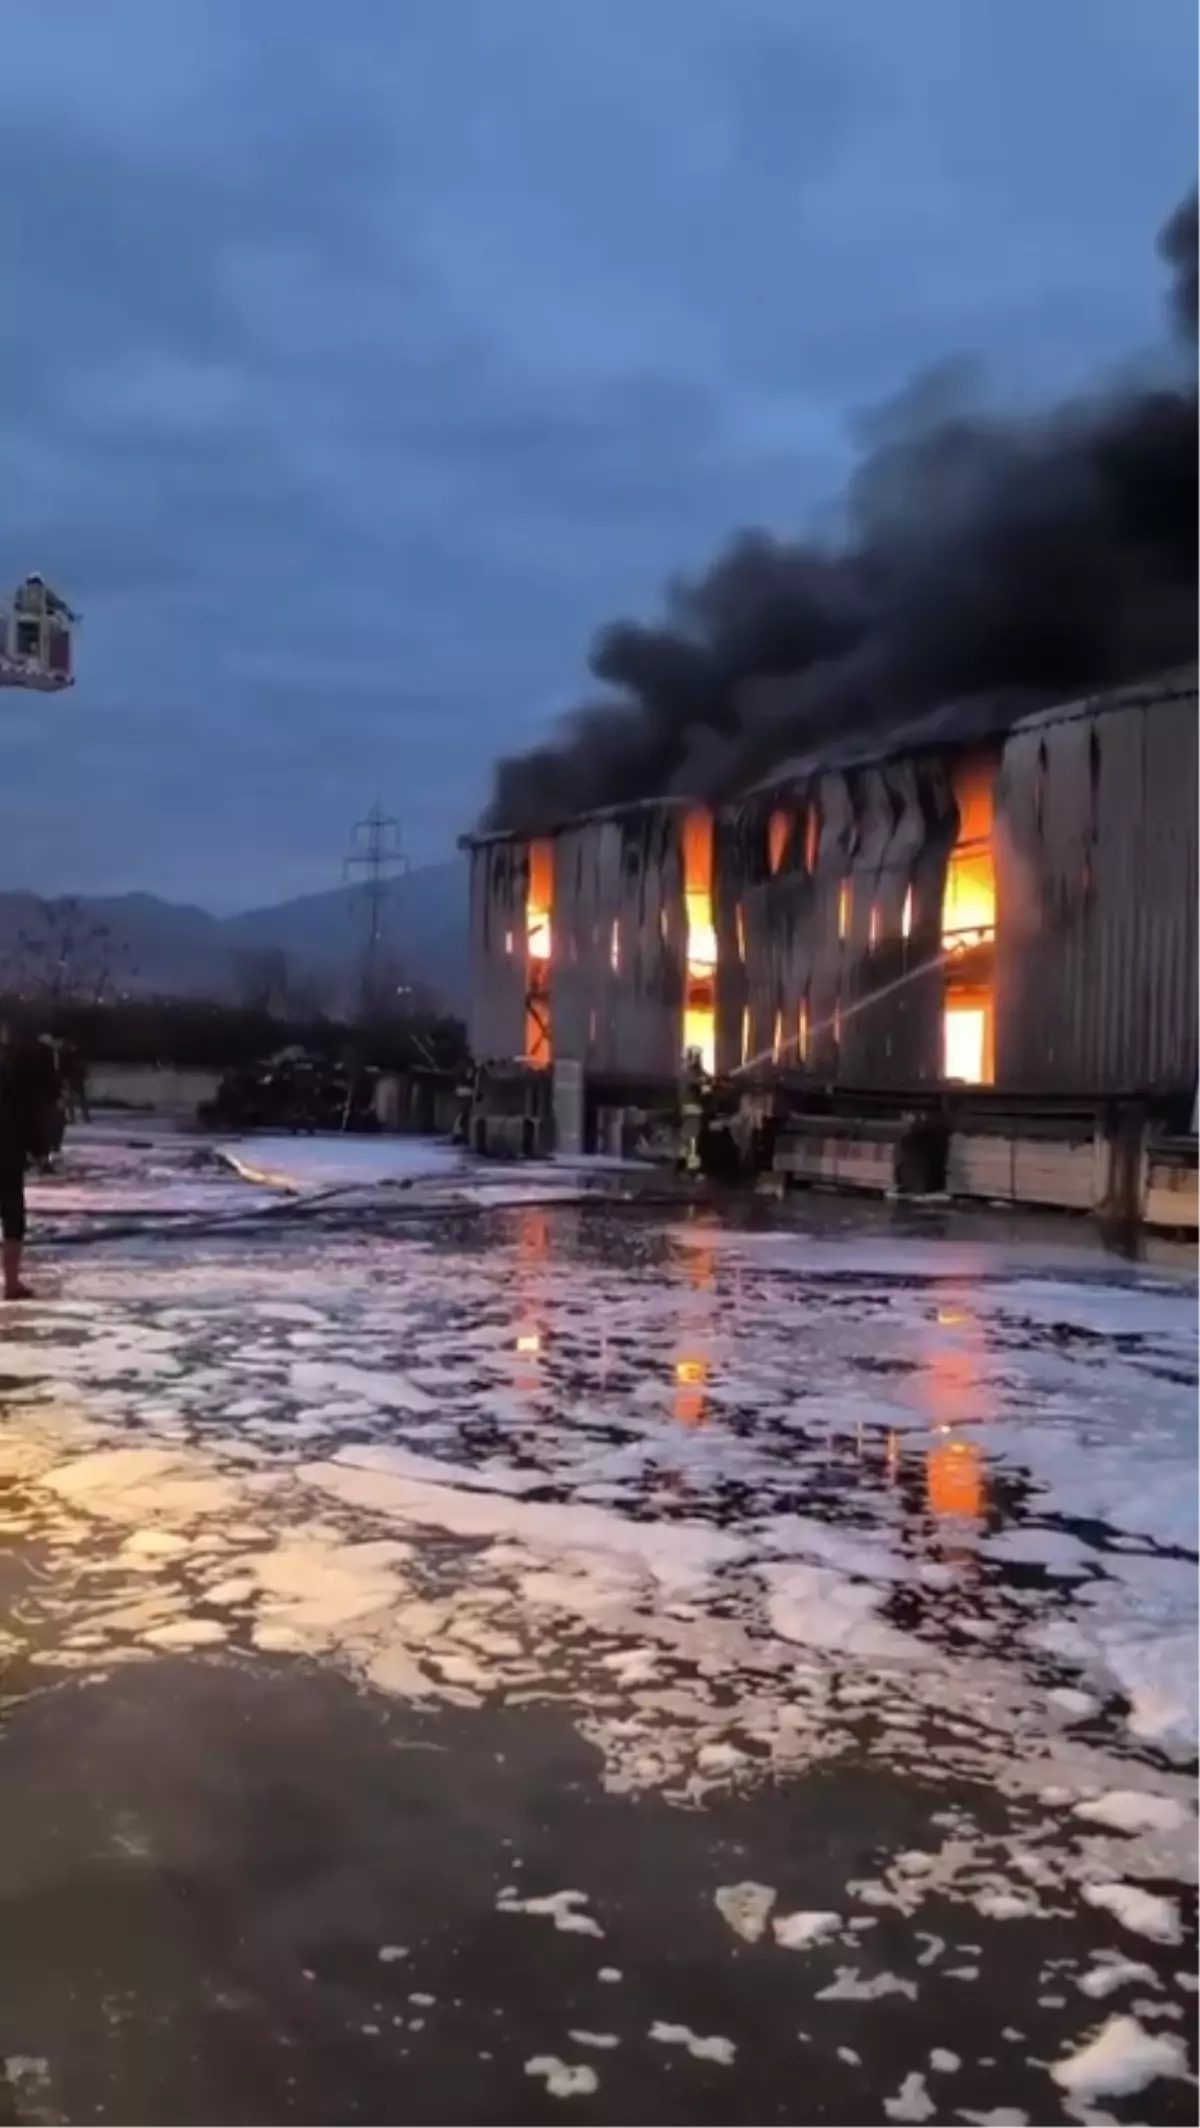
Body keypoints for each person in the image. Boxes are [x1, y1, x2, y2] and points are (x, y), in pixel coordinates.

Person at [0, 1021, 37, 1300]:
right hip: (7, 1151)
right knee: (13, 1217)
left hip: (9, 1150)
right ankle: (11, 1283)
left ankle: (12, 1282)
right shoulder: (10, 1068)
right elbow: (20, 1111)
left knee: (13, 1216)